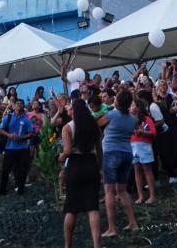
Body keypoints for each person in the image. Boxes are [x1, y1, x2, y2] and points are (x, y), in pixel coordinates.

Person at [59, 98, 102, 248]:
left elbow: (68, 151)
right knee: (93, 207)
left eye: (70, 108)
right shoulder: (94, 124)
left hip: (75, 166)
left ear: (74, 111)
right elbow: (99, 149)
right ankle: (97, 244)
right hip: (91, 164)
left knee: (71, 208)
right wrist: (100, 167)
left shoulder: (67, 128)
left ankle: (67, 245)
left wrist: (61, 156)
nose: (69, 111)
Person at [96, 91, 139, 238]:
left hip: (111, 152)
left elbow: (97, 123)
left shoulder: (111, 114)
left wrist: (109, 108)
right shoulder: (133, 119)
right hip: (127, 153)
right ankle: (133, 223)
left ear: (118, 101)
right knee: (122, 190)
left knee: (109, 191)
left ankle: (112, 228)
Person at [0, 99, 35, 196]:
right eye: (17, 103)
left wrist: (21, 137)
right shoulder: (8, 117)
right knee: (6, 169)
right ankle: (2, 190)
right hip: (10, 148)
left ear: (23, 106)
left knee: (22, 170)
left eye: (21, 104)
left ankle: (21, 190)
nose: (19, 105)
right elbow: (0, 129)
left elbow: (31, 133)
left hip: (23, 148)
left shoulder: (26, 119)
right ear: (14, 106)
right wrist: (9, 135)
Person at [129, 98, 157, 205]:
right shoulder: (129, 120)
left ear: (138, 107)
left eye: (132, 105)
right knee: (137, 170)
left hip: (144, 145)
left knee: (147, 169)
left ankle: (152, 195)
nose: (130, 107)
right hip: (132, 145)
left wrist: (143, 133)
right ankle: (140, 196)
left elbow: (153, 133)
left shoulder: (146, 118)